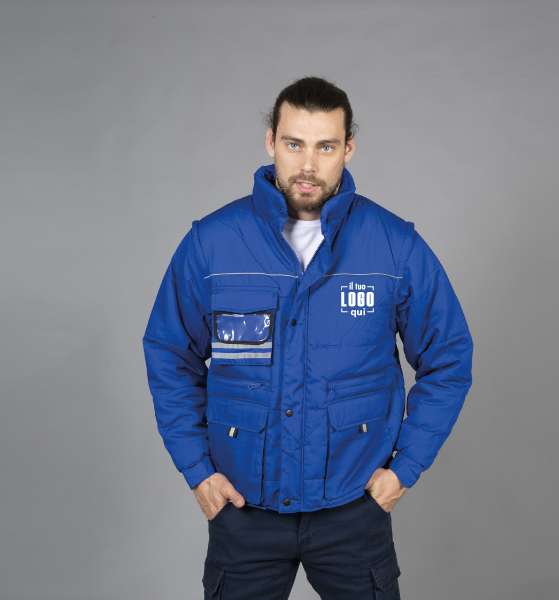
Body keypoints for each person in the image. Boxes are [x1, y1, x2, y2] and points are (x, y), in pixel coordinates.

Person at [142, 76, 474, 599]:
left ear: (349, 148)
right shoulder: (212, 243)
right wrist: (198, 471)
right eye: (294, 144)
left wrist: (403, 471)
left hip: (353, 510)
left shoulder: (394, 246)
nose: (308, 165)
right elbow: (170, 354)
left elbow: (449, 358)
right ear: (271, 141)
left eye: (326, 147)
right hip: (243, 512)